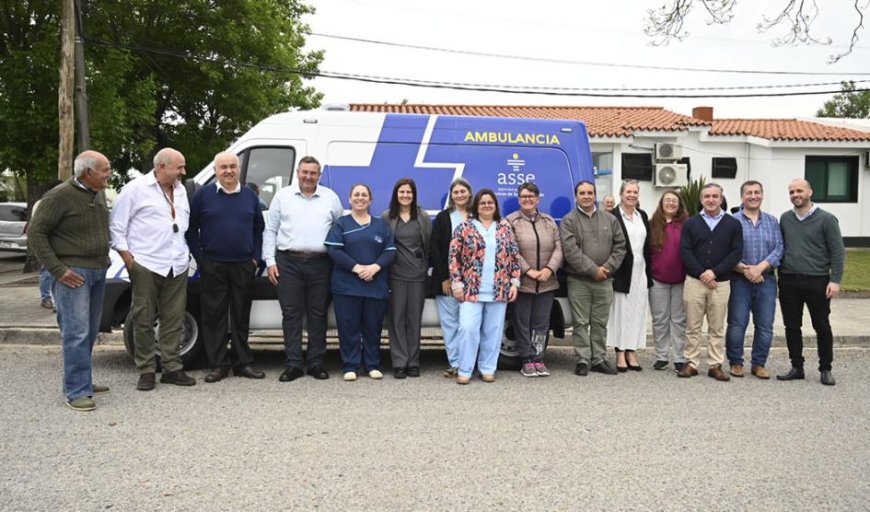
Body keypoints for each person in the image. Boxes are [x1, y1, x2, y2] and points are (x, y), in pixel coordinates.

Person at [28, 151, 112, 411]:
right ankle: (76, 391)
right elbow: (36, 233)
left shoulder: (96, 195)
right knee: (75, 332)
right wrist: (57, 269)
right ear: (88, 172)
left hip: (97, 271)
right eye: (105, 169)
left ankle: (82, 380)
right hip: (72, 274)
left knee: (89, 330)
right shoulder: (59, 196)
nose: (109, 174)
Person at [110, 147, 196, 391]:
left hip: (176, 265)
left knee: (174, 318)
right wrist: (130, 261)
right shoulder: (135, 189)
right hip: (146, 264)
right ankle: (146, 370)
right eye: (179, 167)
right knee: (143, 319)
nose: (183, 172)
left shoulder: (181, 191)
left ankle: (172, 368)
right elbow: (117, 228)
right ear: (161, 167)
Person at [186, 152, 266, 383]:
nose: (228, 171)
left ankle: (243, 363)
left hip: (243, 265)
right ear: (215, 170)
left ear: (238, 169)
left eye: (232, 166)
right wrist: (202, 259)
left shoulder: (250, 196)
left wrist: (255, 258)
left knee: (241, 316)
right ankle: (218, 365)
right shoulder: (203, 196)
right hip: (213, 265)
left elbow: (258, 229)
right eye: (223, 167)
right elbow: (191, 230)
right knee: (214, 316)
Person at [262, 156, 343, 382]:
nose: (308, 176)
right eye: (304, 172)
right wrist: (270, 262)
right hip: (288, 263)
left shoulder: (331, 198)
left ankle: (316, 363)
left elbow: (338, 230)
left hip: (321, 264)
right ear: (298, 172)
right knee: (291, 314)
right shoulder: (282, 196)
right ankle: (294, 364)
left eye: (313, 173)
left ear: (319, 175)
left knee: (318, 314)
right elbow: (270, 230)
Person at [777, 179, 845, 386]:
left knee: (822, 326)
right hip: (788, 280)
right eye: (792, 192)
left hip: (817, 280)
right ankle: (797, 366)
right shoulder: (786, 219)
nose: (795, 194)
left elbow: (837, 251)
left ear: (810, 192)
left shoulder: (827, 219)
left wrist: (835, 280)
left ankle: (826, 368)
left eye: (799, 191)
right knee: (791, 326)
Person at [449, 189, 520, 384]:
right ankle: (465, 369)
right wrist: (456, 283)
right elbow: (453, 257)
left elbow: (514, 257)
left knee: (493, 331)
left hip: (498, 290)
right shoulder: (465, 228)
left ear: (495, 206)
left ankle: (487, 368)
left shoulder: (504, 228)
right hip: (471, 291)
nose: (487, 206)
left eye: (490, 203)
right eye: (483, 203)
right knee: (468, 329)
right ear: (476, 206)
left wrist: (514, 282)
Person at [326, 183, 396, 381]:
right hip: (347, 286)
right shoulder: (342, 224)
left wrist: (375, 267)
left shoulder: (381, 225)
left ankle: (372, 364)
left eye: (364, 195)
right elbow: (334, 250)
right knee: (348, 327)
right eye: (356, 195)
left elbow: (390, 251)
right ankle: (351, 365)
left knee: (373, 328)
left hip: (375, 284)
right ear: (349, 199)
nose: (360, 198)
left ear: (370, 200)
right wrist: (356, 268)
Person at [678, 182, 743, 381]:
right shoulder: (691, 223)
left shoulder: (733, 224)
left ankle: (715, 364)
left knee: (716, 327)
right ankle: (691, 363)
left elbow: (735, 253)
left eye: (715, 196)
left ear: (721, 198)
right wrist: (702, 273)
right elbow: (685, 251)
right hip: (695, 282)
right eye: (707, 196)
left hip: (721, 283)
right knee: (693, 326)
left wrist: (714, 272)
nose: (711, 200)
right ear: (701, 199)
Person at [560, 180, 626, 377]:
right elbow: (571, 251)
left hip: (604, 280)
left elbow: (620, 246)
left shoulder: (609, 219)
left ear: (595, 195)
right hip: (579, 280)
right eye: (582, 193)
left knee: (599, 322)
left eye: (590, 192)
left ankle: (598, 358)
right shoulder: (569, 220)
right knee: (580, 322)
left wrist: (606, 268)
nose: (586, 196)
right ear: (576, 196)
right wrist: (592, 270)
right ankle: (582, 359)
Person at [725, 181, 783, 379]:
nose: (753, 196)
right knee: (737, 323)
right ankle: (736, 362)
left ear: (762, 195)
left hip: (766, 279)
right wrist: (745, 270)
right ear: (742, 196)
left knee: (765, 325)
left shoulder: (772, 221)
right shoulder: (732, 221)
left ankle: (759, 364)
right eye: (749, 193)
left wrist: (760, 268)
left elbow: (779, 248)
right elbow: (727, 251)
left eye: (757, 192)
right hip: (739, 279)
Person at [506, 182, 562, 377]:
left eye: (531, 196)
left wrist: (549, 269)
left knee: (541, 323)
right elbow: (510, 250)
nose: (527, 199)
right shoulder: (511, 221)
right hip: (524, 282)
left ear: (538, 199)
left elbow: (559, 247)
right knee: (521, 322)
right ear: (519, 199)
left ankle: (538, 358)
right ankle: (527, 359)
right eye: (523, 196)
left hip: (547, 282)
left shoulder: (548, 221)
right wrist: (528, 271)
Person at [381, 178, 431, 379]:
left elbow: (428, 243)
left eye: (409, 192)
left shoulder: (422, 216)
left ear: (414, 194)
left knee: (413, 320)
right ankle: (399, 362)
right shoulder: (387, 217)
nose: (405, 195)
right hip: (394, 275)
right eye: (401, 192)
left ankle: (413, 362)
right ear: (396, 194)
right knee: (396, 320)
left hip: (417, 275)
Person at [429, 178, 473, 378]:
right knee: (450, 325)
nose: (460, 195)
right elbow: (435, 249)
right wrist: (445, 277)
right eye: (456, 192)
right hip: (447, 282)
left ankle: (468, 363)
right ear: (451, 195)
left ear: (469, 193)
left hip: (473, 283)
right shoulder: (443, 217)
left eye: (463, 191)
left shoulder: (478, 217)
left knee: (468, 325)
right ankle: (455, 363)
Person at [607, 180, 652, 372]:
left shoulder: (642, 215)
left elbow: (647, 244)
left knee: (637, 312)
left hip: (641, 271)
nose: (632, 195)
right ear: (621, 194)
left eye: (635, 192)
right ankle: (620, 352)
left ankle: (632, 351)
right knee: (620, 313)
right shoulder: (612, 216)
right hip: (622, 271)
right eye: (628, 192)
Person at [647, 190, 689, 372]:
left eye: (674, 201)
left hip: (681, 279)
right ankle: (662, 356)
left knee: (679, 320)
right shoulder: (652, 224)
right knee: (659, 319)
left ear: (679, 204)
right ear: (661, 203)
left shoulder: (687, 224)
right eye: (667, 200)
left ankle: (679, 357)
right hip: (658, 280)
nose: (671, 203)